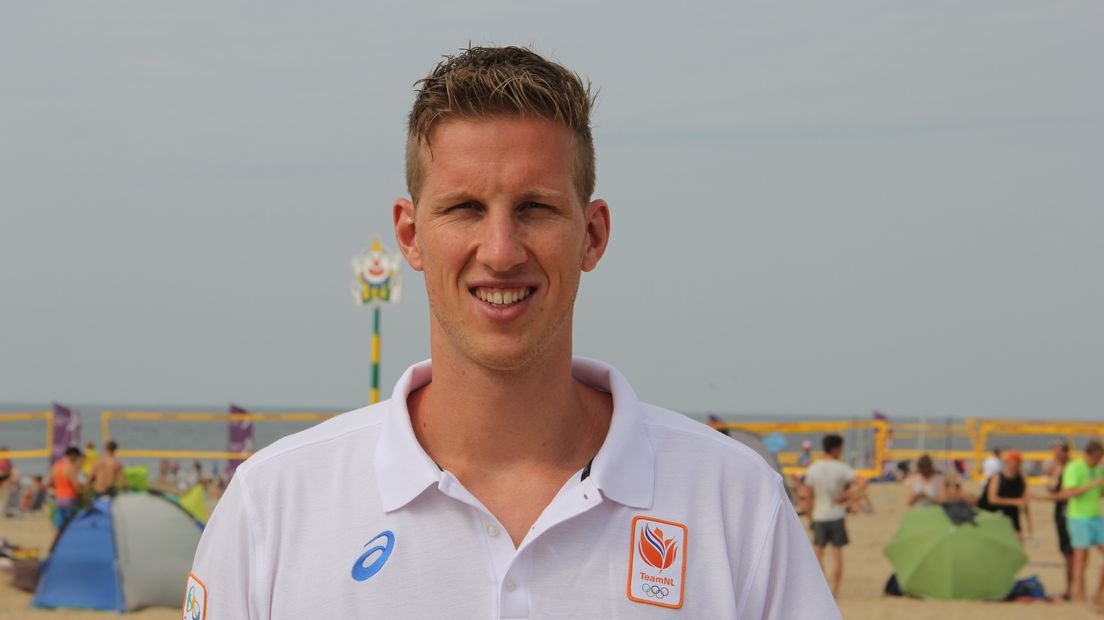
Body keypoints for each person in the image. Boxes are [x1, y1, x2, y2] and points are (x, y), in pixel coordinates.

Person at [186, 46, 838, 618]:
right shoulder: (273, 508)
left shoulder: (732, 501)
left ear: (593, 234)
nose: (500, 251)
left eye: (535, 209)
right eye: (466, 208)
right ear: (411, 236)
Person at [805, 433, 867, 598]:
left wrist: (809, 517)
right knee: (837, 554)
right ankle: (836, 591)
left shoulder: (813, 468)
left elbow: (808, 497)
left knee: (818, 553)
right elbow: (863, 482)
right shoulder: (841, 468)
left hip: (819, 515)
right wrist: (848, 495)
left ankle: (821, 589)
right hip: (837, 514)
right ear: (835, 449)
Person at [1058, 440, 1104, 606]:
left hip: (1096, 518)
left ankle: (1099, 594)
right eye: (1095, 459)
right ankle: (1080, 595)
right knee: (1081, 559)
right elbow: (1067, 492)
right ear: (1088, 456)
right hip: (1078, 518)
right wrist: (1090, 485)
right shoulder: (1074, 468)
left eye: (1100, 459)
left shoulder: (1099, 470)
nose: (1097, 462)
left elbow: (1100, 494)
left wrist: (1096, 486)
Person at [976, 449, 1030, 542]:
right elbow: (992, 499)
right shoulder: (997, 477)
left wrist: (1029, 523)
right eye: (1012, 464)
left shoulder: (1020, 481)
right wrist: (1016, 502)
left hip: (1010, 511)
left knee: (1019, 540)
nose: (1014, 467)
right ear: (1007, 463)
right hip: (989, 511)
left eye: (1016, 465)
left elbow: (1024, 502)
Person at [1047, 441, 1074, 599]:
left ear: (1065, 452)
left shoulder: (1070, 468)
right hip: (1059, 512)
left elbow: (1065, 493)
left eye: (1057, 453)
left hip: (1069, 513)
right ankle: (1070, 588)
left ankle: (1071, 589)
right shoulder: (1057, 468)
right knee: (1065, 552)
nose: (1055, 456)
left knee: (1072, 554)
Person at [47, 446, 82, 529]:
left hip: (59, 500)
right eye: (77, 457)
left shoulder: (56, 466)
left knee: (59, 527)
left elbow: (49, 483)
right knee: (70, 527)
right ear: (72, 455)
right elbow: (77, 487)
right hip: (70, 499)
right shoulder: (71, 467)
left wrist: (58, 489)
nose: (77, 460)